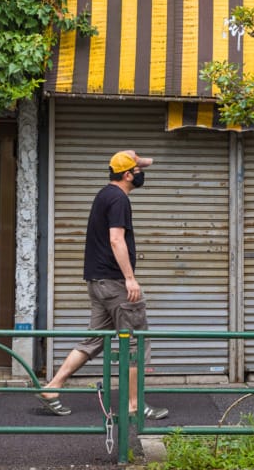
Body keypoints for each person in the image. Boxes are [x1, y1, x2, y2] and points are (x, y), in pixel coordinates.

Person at [37, 150, 169, 420]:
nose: (142, 174)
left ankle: (52, 387)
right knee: (135, 343)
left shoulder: (103, 194)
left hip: (97, 283)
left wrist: (137, 159)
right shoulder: (119, 199)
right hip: (116, 284)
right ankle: (134, 405)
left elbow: (145, 162)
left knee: (95, 339)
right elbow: (116, 240)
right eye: (138, 171)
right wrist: (130, 278)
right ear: (127, 175)